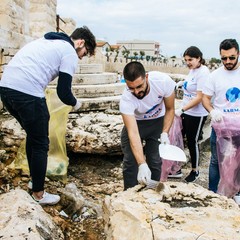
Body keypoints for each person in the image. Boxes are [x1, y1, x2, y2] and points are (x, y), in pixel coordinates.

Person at [0, 26, 96, 205]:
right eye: (85, 52)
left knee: (34, 137)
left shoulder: (48, 41)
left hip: (6, 90)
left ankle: (34, 181)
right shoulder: (69, 51)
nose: (82, 56)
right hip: (27, 93)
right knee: (41, 143)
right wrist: (76, 103)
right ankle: (39, 194)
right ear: (80, 42)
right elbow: (63, 92)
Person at [119, 61, 175, 190]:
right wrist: (141, 164)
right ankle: (130, 194)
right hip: (136, 123)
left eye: (139, 86)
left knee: (155, 160)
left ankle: (153, 191)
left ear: (147, 77)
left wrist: (165, 132)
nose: (136, 91)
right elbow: (133, 133)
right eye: (131, 88)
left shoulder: (163, 82)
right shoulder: (126, 99)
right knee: (131, 162)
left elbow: (170, 109)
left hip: (157, 122)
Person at [202, 39, 240, 204]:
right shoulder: (215, 76)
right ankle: (212, 194)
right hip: (220, 127)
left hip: (239, 126)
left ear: (238, 54)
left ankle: (237, 192)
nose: (228, 62)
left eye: (231, 57)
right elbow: (205, 98)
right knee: (216, 160)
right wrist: (212, 111)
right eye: (224, 58)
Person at [175, 46, 210, 182]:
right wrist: (181, 83)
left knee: (192, 141)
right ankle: (175, 168)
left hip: (196, 113)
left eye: (191, 59)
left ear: (199, 58)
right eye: (186, 60)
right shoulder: (193, 70)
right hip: (186, 110)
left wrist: (182, 110)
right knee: (180, 138)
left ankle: (195, 171)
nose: (188, 62)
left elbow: (200, 97)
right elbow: (191, 82)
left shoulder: (204, 72)